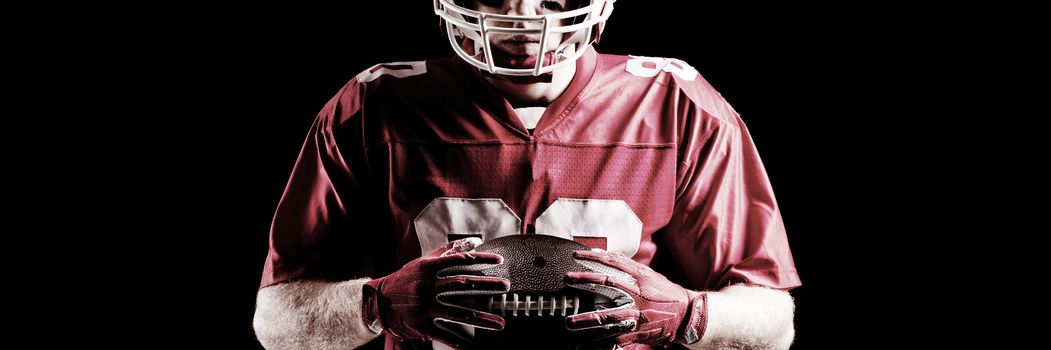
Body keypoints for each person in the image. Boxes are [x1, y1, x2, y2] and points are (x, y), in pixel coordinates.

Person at [253, 0, 801, 349]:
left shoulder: (676, 102)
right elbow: (274, 322)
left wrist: (686, 314)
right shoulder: (373, 104)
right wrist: (374, 305)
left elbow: (775, 322)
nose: (521, 13)